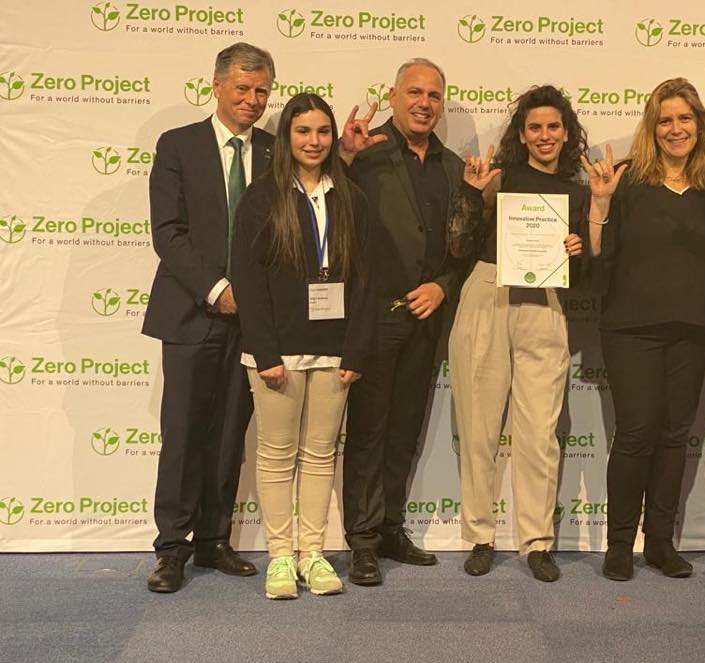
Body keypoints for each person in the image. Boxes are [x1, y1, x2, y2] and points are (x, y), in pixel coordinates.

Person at [230, 93, 375, 599]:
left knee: (319, 455)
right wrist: (265, 354)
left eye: (321, 132)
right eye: (302, 131)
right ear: (286, 138)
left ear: (332, 138)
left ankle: (313, 554)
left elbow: (365, 282)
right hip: (277, 353)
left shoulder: (352, 197)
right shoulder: (260, 198)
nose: (313, 142)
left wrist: (356, 352)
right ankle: (279, 557)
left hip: (335, 351)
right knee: (275, 455)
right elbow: (247, 281)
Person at [142, 43, 275, 593]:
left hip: (254, 321)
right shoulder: (178, 145)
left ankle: (214, 540)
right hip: (192, 312)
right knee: (183, 432)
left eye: (262, 91)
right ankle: (171, 548)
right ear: (216, 86)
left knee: (229, 434)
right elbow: (167, 233)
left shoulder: (274, 150)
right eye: (242, 88)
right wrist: (217, 290)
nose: (252, 100)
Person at [448, 85, 591, 582]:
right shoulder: (499, 178)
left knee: (539, 433)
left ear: (566, 132)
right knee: (479, 427)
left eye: (553, 126)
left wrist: (579, 248)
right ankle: (480, 536)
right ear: (522, 134)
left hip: (545, 303)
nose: (545, 135)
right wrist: (472, 192)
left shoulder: (580, 190)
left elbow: (591, 272)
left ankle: (536, 542)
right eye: (535, 127)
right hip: (488, 290)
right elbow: (459, 246)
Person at [336, 58, 467, 586]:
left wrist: (444, 286)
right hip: (372, 318)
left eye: (434, 96)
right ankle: (363, 541)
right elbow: (327, 209)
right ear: (392, 95)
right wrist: (343, 158)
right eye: (414, 92)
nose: (424, 103)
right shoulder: (364, 152)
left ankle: (391, 527)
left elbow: (468, 242)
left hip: (426, 319)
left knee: (404, 429)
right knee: (367, 432)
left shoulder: (453, 165)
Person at [582, 78, 705, 582]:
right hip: (630, 327)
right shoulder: (627, 180)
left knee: (674, 434)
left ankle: (660, 542)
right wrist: (599, 207)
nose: (675, 129)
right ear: (651, 126)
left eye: (684, 119)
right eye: (665, 120)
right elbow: (597, 258)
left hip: (694, 329)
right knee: (636, 432)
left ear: (699, 124)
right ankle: (620, 545)